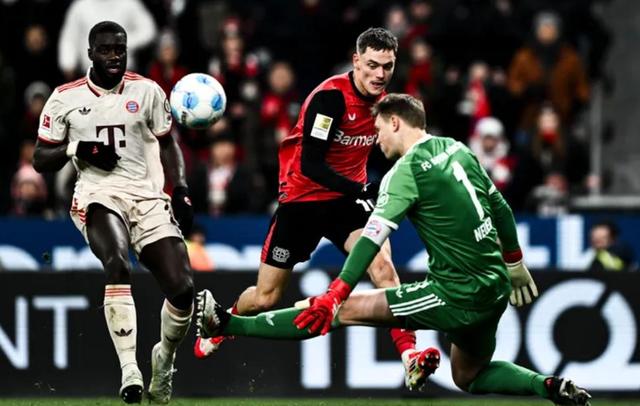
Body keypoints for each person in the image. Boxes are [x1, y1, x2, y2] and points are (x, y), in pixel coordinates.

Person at [196, 94, 592, 405]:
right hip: (496, 288)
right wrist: (515, 263)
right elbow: (500, 207)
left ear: (396, 122)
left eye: (378, 129)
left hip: (456, 293)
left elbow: (371, 238)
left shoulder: (404, 173)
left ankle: (228, 325)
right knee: (468, 376)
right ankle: (547, 385)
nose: (376, 139)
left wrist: (336, 293)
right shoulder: (458, 149)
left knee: (339, 312)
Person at [193, 27, 436, 385]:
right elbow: (311, 165)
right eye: (372, 65)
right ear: (356, 61)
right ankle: (223, 321)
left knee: (383, 267)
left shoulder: (387, 107)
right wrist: (362, 188)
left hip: (346, 203)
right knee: (265, 298)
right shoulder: (330, 99)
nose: (380, 74)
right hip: (302, 200)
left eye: (387, 66)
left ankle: (409, 355)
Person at [33, 21, 194, 404]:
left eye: (120, 49)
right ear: (90, 53)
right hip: (98, 194)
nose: (114, 56)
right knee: (117, 263)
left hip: (148, 198)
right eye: (106, 50)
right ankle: (129, 370)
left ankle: (163, 361)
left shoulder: (147, 91)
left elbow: (167, 143)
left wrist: (181, 189)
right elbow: (41, 158)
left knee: (183, 289)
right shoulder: (64, 98)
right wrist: (77, 148)